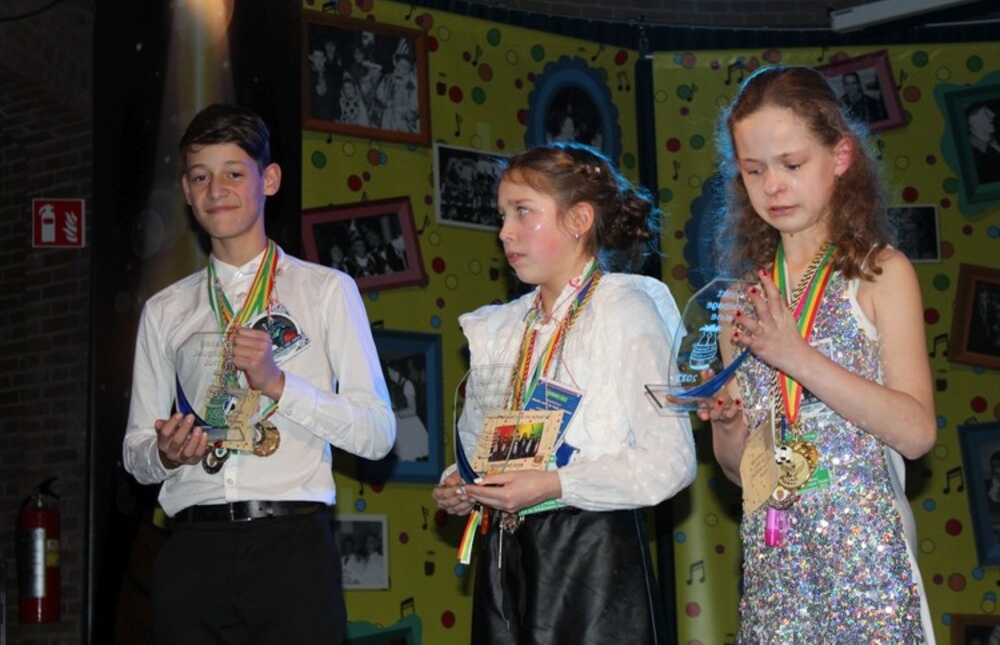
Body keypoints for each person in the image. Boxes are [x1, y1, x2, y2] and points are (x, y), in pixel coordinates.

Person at [122, 104, 396, 645]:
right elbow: (136, 453)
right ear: (186, 190)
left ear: (268, 180)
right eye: (200, 177)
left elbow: (378, 433)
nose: (216, 190)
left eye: (233, 172)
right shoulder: (165, 310)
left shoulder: (325, 290)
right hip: (193, 550)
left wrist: (279, 385)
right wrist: (166, 453)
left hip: (291, 548)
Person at [704, 66, 936, 642]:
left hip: (869, 569)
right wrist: (728, 427)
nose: (773, 186)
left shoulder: (880, 273)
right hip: (775, 573)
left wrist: (794, 354)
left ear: (840, 157)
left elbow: (916, 433)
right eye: (754, 170)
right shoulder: (740, 304)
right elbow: (740, 473)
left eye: (792, 164)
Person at [432, 142, 697, 643]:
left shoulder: (623, 310)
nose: (505, 232)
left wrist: (555, 484)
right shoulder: (502, 328)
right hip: (505, 555)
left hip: (589, 558)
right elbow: (480, 444)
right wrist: (463, 482)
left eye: (523, 211)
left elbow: (671, 461)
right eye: (502, 216)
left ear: (579, 220)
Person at [966, 101, 1000, 185]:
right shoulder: (972, 158)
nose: (992, 115)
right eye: (985, 111)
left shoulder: (997, 137)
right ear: (972, 119)